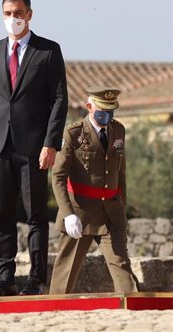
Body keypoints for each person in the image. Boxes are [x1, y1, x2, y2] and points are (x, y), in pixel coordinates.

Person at [0, 0, 68, 296]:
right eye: (7, 13)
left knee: (35, 215)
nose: (12, 19)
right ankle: (4, 279)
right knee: (1, 215)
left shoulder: (48, 51)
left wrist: (50, 143)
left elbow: (59, 99)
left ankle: (36, 279)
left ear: (29, 14)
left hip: (33, 146)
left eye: (18, 13)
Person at [49, 87, 139, 294]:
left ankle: (134, 305)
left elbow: (120, 171)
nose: (106, 115)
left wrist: (122, 204)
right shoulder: (73, 133)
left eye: (111, 111)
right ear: (89, 107)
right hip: (80, 212)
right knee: (67, 268)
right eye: (102, 111)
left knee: (121, 264)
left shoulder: (118, 130)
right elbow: (59, 177)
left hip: (111, 211)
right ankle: (54, 307)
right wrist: (68, 214)